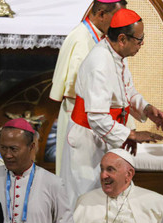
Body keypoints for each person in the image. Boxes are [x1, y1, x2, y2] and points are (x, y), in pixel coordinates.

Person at [61, 8, 163, 207]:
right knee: (85, 200)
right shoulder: (99, 64)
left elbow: (127, 92)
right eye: (139, 39)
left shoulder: (117, 54)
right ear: (122, 39)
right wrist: (132, 135)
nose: (141, 44)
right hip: (88, 142)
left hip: (107, 136)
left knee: (108, 200)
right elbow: (97, 118)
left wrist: (146, 109)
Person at [50, 0, 126, 175]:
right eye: (116, 18)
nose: (119, 25)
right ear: (101, 14)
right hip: (79, 121)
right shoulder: (81, 39)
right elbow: (75, 89)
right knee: (78, 178)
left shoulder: (100, 37)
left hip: (95, 121)